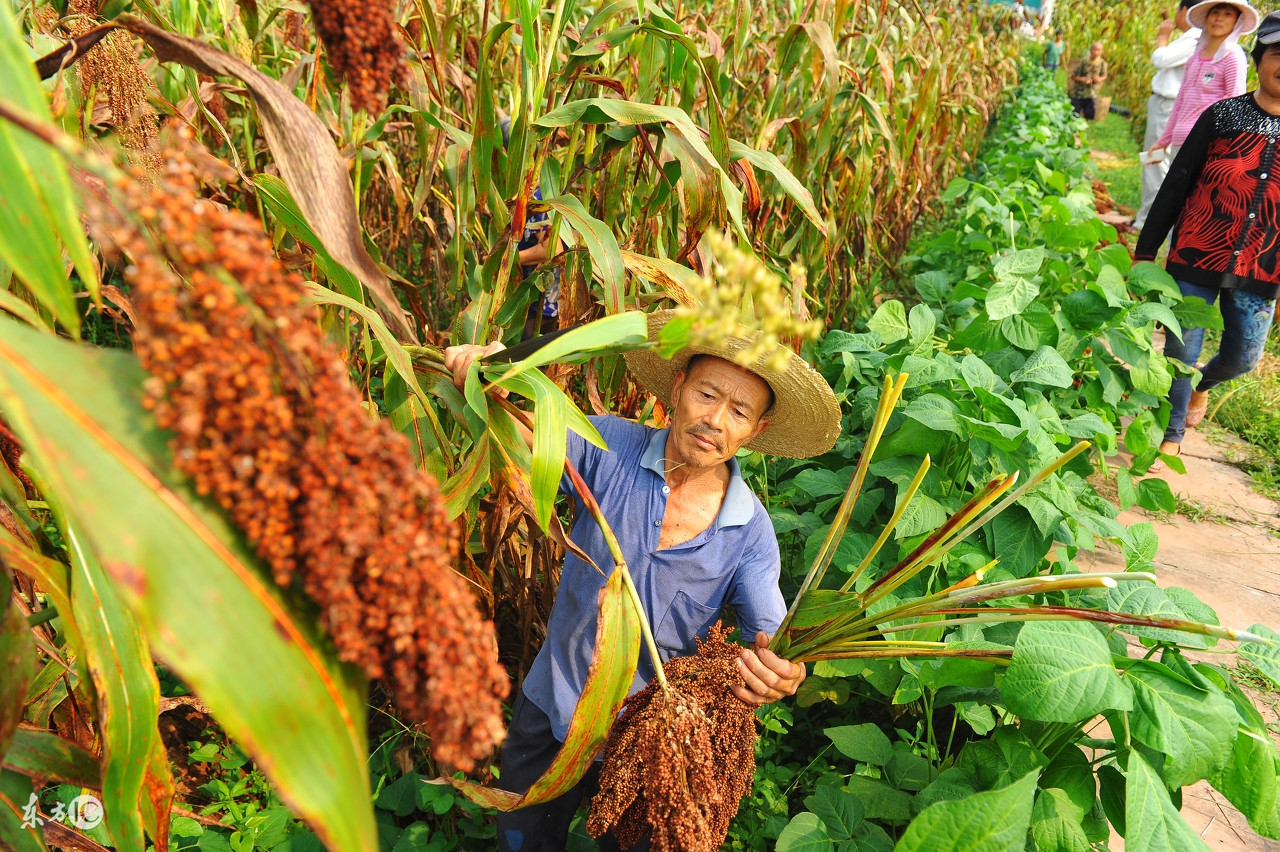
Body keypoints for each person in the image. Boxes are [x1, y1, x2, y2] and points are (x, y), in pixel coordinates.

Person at [443, 310, 842, 851]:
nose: (716, 420)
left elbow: (771, 634)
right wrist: (487, 383)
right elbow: (529, 439)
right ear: (677, 387)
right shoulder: (608, 443)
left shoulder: (750, 533)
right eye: (707, 394)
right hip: (553, 707)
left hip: (648, 742)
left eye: (739, 411)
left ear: (756, 430)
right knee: (523, 841)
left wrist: (781, 671)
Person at [1133, 9, 1280, 469]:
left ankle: (1203, 387)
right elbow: (1177, 182)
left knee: (1242, 358)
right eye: (1278, 53)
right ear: (1259, 59)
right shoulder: (1223, 115)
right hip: (1196, 249)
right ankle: (1170, 431)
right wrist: (1145, 250)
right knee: (1181, 348)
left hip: (1262, 264)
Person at [1145, 1, 1258, 164]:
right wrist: (1163, 141)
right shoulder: (1195, 58)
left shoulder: (1232, 57)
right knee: (1177, 189)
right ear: (1206, 17)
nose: (1219, 18)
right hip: (1180, 141)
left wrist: (1232, 148)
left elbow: (1236, 104)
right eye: (1215, 13)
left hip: (1208, 143)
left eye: (1227, 14)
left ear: (1237, 21)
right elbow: (1180, 102)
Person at [1133, 0, 1202, 230]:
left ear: (1186, 11)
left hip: (1168, 105)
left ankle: (1148, 222)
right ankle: (1148, 218)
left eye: (1177, 11)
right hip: (1165, 104)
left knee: (1155, 161)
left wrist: (1163, 37)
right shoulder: (1190, 39)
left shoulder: (1194, 38)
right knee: (1155, 160)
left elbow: (1160, 59)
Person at [1069, 42, 1109, 120]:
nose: (1096, 52)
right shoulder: (1083, 62)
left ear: (1101, 51)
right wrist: (1082, 79)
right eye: (1094, 49)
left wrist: (1099, 79)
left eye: (1098, 50)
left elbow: (1104, 76)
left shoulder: (1102, 64)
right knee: (1073, 115)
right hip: (1078, 93)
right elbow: (1073, 76)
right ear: (1090, 50)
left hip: (1091, 94)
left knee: (1089, 117)